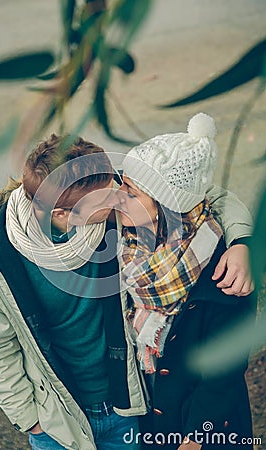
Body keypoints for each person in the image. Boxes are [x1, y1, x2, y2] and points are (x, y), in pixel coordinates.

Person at [0, 131, 253, 450]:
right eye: (108, 195)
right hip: (57, 421)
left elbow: (198, 194)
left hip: (128, 409)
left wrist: (242, 242)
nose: (118, 194)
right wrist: (30, 419)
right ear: (63, 214)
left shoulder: (111, 202)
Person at [117, 113, 256, 449]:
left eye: (131, 192)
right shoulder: (124, 243)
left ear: (167, 209)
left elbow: (224, 371)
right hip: (147, 419)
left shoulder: (224, 272)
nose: (117, 196)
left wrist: (198, 435)